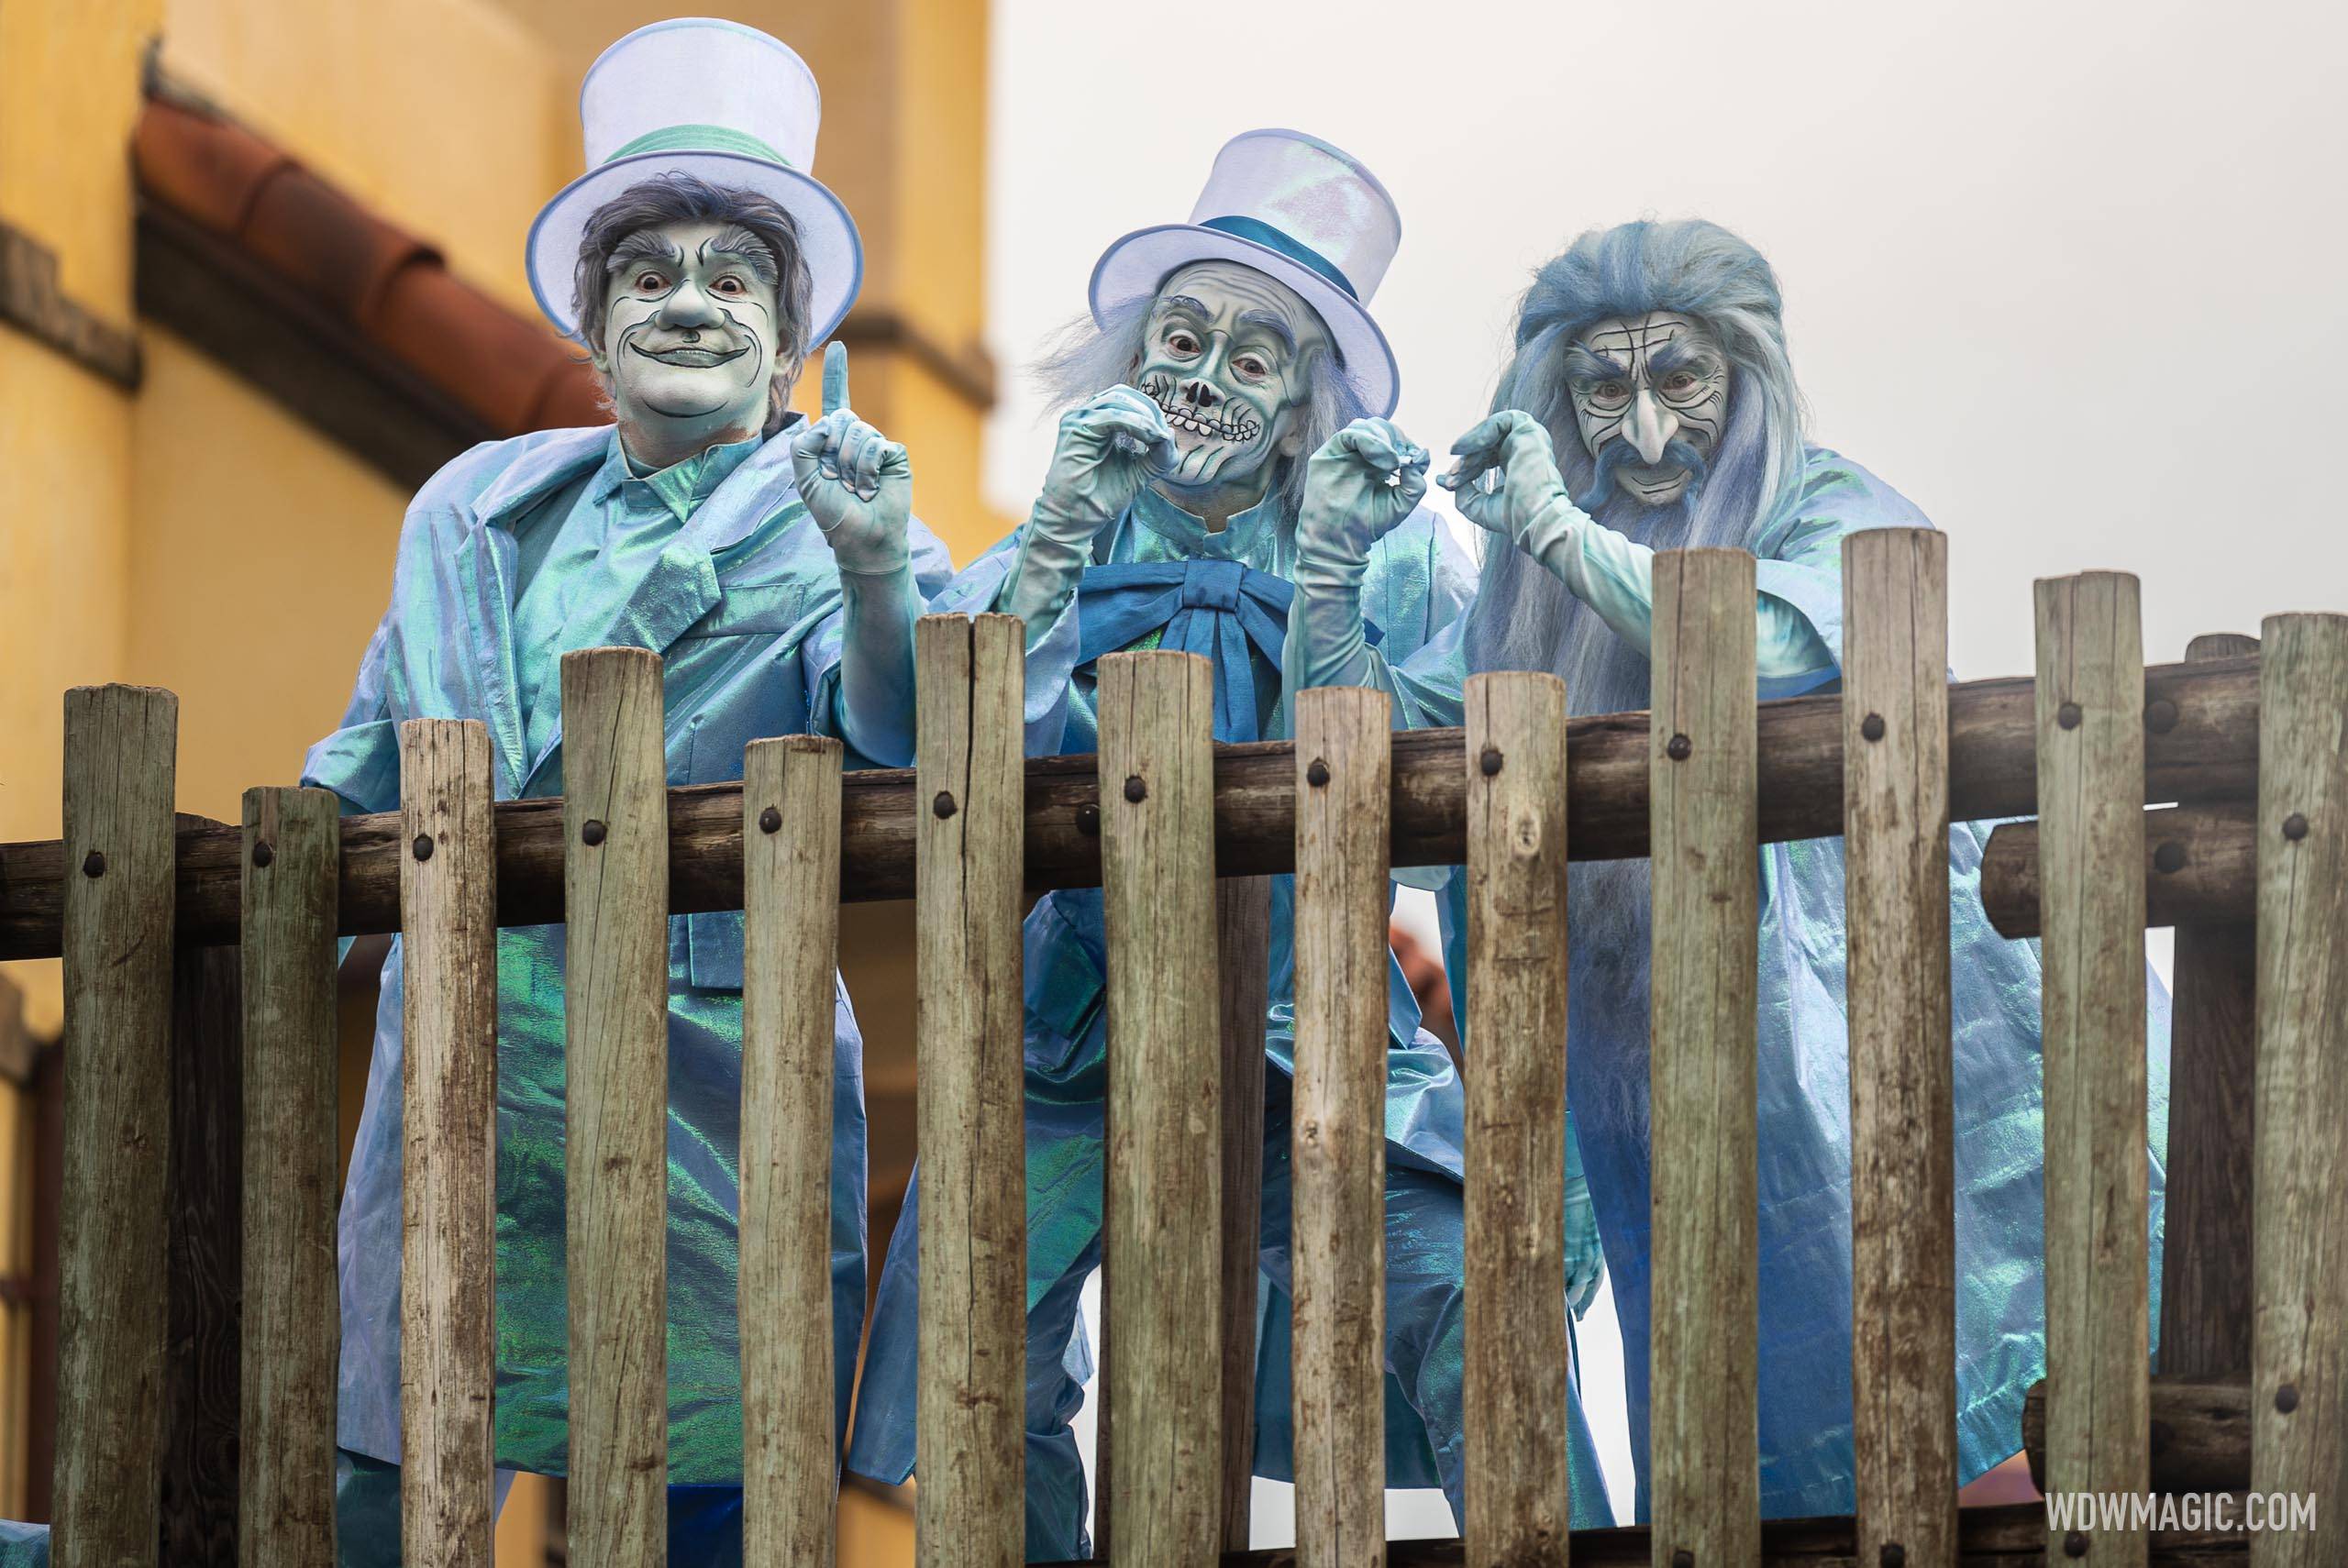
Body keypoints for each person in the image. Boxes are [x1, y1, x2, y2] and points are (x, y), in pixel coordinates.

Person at [1300, 216, 2170, 1519]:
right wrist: (1327, 572)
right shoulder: (1533, 600)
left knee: (2012, 1420)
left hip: (1896, 1033)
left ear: (1745, 374)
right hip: (1671, 1085)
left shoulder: (1825, 501)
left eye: (1679, 380)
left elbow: (1758, 642)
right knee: (1756, 1470)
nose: (1645, 433)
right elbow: (1380, 782)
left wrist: (1551, 526)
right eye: (1604, 389)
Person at [845, 128, 1614, 1558]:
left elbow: (1461, 763)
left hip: (1311, 1029)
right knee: (976, 1326)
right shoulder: (1068, 521)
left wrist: (1342, 575)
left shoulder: (1391, 544)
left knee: (1463, 1292)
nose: (1201, 377)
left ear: (1302, 401)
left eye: (1250, 357)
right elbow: (922, 727)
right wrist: (1044, 542)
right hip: (1069, 1029)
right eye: (1181, 338)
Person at [300, 20, 949, 1561]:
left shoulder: (851, 515)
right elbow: (375, 737)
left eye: (736, 274)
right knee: (383, 1470)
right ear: (594, 324)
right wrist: (264, 925)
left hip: (710, 1080)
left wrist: (869, 570)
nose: (690, 302)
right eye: (649, 270)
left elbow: (914, 736)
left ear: (788, 335)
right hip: (459, 1064)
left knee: (706, 1491)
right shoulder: (472, 507)